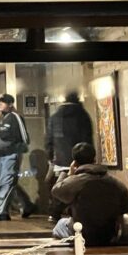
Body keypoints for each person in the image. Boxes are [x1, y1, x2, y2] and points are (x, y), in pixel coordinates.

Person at [51, 142, 128, 246]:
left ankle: (71, 254)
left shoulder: (74, 182)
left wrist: (68, 174)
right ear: (94, 159)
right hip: (108, 235)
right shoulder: (114, 182)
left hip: (81, 233)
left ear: (75, 163)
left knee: (59, 225)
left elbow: (55, 191)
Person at [45, 91, 94, 223]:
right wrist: (87, 156)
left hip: (60, 158)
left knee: (61, 185)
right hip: (80, 157)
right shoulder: (83, 115)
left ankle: (54, 212)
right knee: (81, 186)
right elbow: (87, 138)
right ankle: (75, 212)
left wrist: (50, 156)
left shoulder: (55, 116)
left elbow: (49, 139)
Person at [0, 94, 36, 221]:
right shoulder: (0, 118)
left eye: (3, 102)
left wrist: (18, 149)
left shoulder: (15, 117)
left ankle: (1, 212)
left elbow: (24, 136)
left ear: (10, 104)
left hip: (11, 154)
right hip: (0, 155)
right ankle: (27, 205)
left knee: (5, 182)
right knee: (10, 182)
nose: (0, 104)